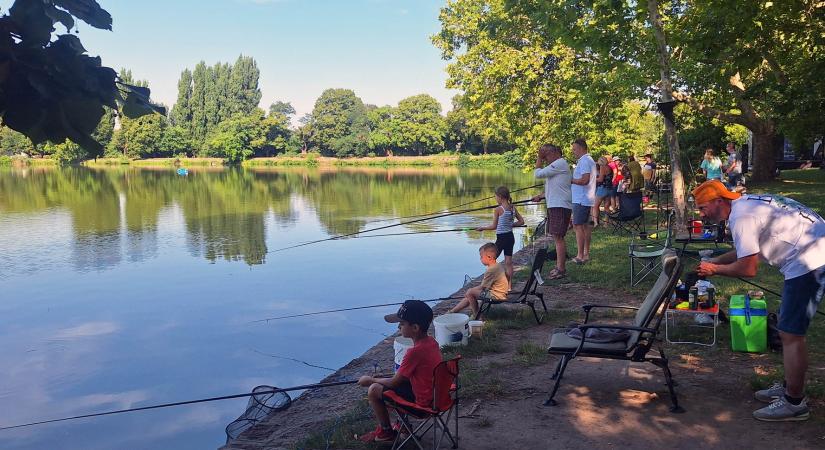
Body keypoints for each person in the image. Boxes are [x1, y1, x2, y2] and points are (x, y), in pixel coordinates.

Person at [694, 180, 825, 422]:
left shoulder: (741, 218)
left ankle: (794, 402)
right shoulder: (744, 206)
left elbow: (748, 267)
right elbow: (747, 250)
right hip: (812, 249)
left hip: (810, 259)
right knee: (789, 331)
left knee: (790, 334)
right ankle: (789, 387)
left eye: (702, 208)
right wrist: (716, 261)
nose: (701, 214)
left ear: (718, 201)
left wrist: (714, 270)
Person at [358, 300, 441, 442]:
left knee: (374, 390)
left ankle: (386, 432)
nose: (398, 326)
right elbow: (407, 375)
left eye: (402, 324)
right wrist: (383, 377)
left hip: (423, 404)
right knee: (390, 384)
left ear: (415, 327)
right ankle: (402, 425)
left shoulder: (414, 352)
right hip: (437, 396)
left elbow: (395, 382)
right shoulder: (432, 342)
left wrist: (370, 380)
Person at [532, 144, 573, 279]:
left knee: (558, 237)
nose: (545, 158)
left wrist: (539, 158)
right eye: (544, 155)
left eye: (547, 154)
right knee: (556, 237)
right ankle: (559, 267)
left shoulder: (559, 163)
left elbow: (538, 174)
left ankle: (561, 269)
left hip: (559, 206)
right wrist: (541, 196)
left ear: (555, 152)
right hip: (555, 205)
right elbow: (556, 186)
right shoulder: (557, 166)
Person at [476, 186, 524, 288]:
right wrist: (511, 225)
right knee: (508, 263)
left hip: (501, 238)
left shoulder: (498, 209)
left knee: (489, 260)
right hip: (510, 238)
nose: (495, 199)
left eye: (496, 197)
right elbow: (521, 222)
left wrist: (482, 228)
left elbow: (494, 227)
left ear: (501, 197)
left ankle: (488, 284)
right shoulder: (512, 208)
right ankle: (509, 286)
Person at [449, 243, 509, 317]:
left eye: (481, 257)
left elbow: (482, 287)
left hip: (497, 296)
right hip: (501, 293)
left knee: (470, 293)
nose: (480, 259)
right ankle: (452, 312)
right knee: (470, 294)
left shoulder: (491, 270)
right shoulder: (497, 265)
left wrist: (470, 290)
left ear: (489, 257)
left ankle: (477, 316)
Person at [570, 139, 598, 264]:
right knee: (585, 227)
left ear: (582, 148)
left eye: (574, 149)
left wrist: (570, 180)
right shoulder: (587, 160)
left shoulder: (585, 161)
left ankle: (580, 255)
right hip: (584, 199)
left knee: (578, 226)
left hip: (581, 199)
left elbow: (585, 180)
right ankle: (586, 254)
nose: (573, 152)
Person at [593, 155, 613, 227]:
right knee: (607, 207)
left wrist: (593, 179)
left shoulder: (602, 167)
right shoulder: (610, 168)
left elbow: (601, 179)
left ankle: (595, 222)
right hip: (609, 188)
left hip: (602, 188)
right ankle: (606, 223)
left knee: (595, 206)